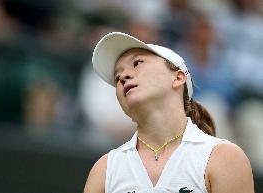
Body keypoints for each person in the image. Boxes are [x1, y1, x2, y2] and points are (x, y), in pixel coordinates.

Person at [84, 32, 254, 193]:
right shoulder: (104, 169)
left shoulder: (224, 157)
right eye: (117, 76)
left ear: (178, 77)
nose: (123, 76)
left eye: (137, 63)